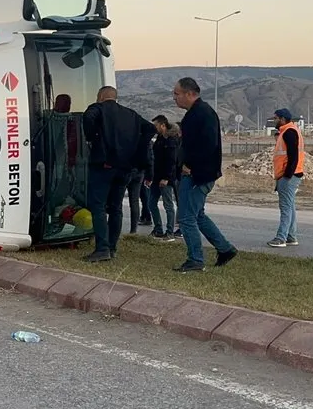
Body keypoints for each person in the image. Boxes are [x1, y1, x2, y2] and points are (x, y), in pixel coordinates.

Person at [82, 86, 156, 262]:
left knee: (98, 206)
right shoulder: (131, 114)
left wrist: (93, 137)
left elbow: (88, 117)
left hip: (104, 165)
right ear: (116, 98)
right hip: (125, 168)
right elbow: (151, 128)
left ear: (100, 96)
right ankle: (112, 248)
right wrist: (138, 147)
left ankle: (102, 248)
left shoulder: (97, 109)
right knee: (116, 208)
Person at [172, 77, 237, 272]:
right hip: (198, 174)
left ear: (190, 93)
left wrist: (190, 166)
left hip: (197, 175)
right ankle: (225, 249)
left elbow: (208, 145)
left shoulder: (202, 114)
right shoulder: (196, 113)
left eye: (177, 93)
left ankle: (195, 259)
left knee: (185, 218)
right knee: (197, 215)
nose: (174, 98)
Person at [268, 109, 305, 248]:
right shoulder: (287, 131)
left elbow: (293, 156)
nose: (274, 120)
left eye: (275, 118)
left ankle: (281, 238)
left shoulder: (289, 132)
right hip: (288, 175)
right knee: (290, 206)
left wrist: (287, 176)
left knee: (285, 208)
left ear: (282, 119)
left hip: (289, 175)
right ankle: (291, 236)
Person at [148, 115, 180, 241]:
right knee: (151, 203)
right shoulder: (160, 139)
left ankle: (170, 232)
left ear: (162, 125)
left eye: (156, 125)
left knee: (168, 205)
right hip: (156, 177)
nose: (154, 128)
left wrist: (166, 178)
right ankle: (158, 229)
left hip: (165, 178)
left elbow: (171, 161)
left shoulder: (171, 140)